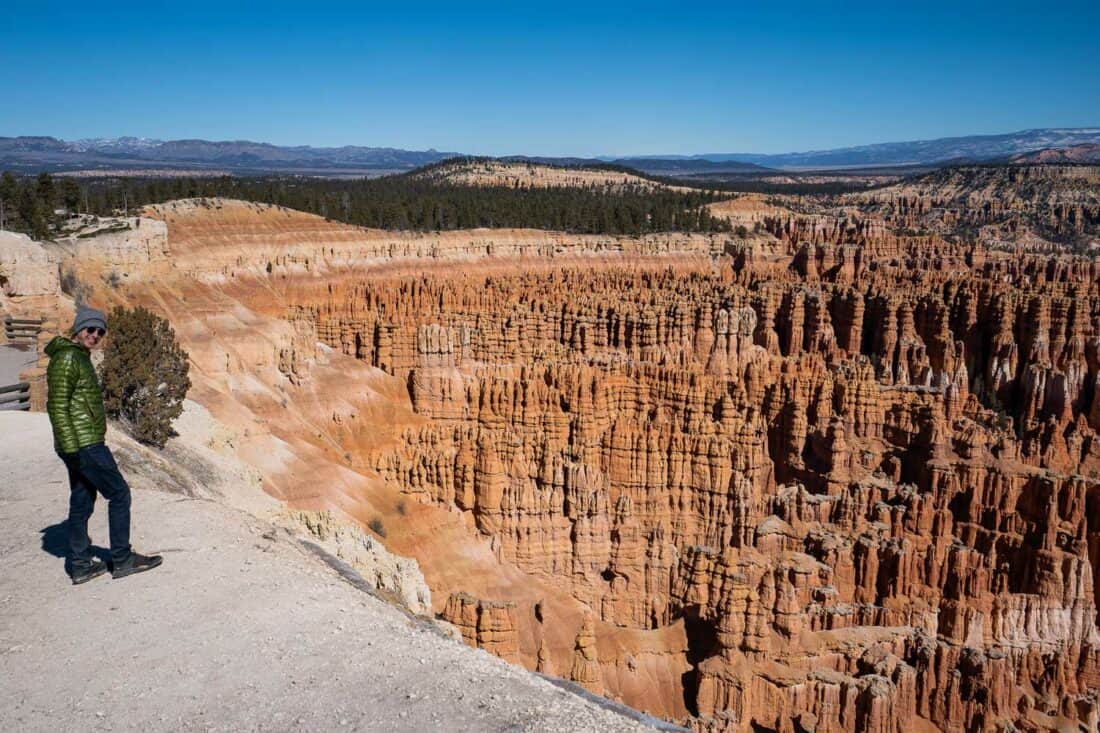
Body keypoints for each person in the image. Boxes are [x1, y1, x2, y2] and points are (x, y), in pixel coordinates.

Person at [45, 305, 162, 584]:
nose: (95, 335)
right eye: (90, 329)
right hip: (84, 444)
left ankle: (81, 565)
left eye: (100, 331)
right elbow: (57, 406)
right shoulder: (68, 359)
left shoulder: (77, 356)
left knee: (82, 500)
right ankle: (122, 559)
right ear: (77, 330)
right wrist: (73, 447)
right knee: (119, 494)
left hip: (82, 442)